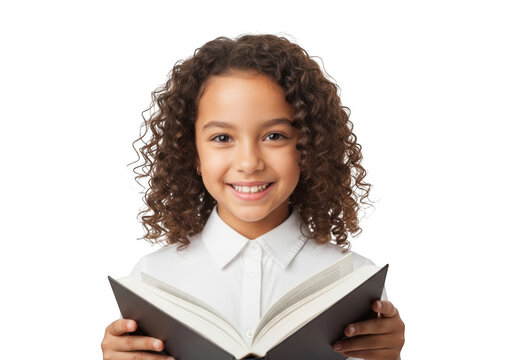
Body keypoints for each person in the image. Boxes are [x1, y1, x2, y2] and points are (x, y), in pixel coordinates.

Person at [101, 34, 405, 360]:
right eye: (222, 137)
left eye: (274, 136)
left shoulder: (352, 282)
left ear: (308, 147)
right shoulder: (153, 279)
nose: (249, 163)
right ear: (193, 154)